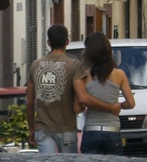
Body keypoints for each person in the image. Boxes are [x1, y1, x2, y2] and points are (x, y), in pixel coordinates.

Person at [26, 24, 121, 154]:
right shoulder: (74, 66)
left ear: (48, 42)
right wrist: (111, 108)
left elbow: (30, 102)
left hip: (42, 129)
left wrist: (31, 129)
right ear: (67, 42)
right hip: (67, 129)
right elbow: (82, 97)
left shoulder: (35, 66)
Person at [78, 32, 135, 156]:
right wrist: (118, 106)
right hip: (112, 130)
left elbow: (80, 105)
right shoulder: (119, 74)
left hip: (91, 129)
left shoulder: (84, 75)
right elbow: (131, 103)